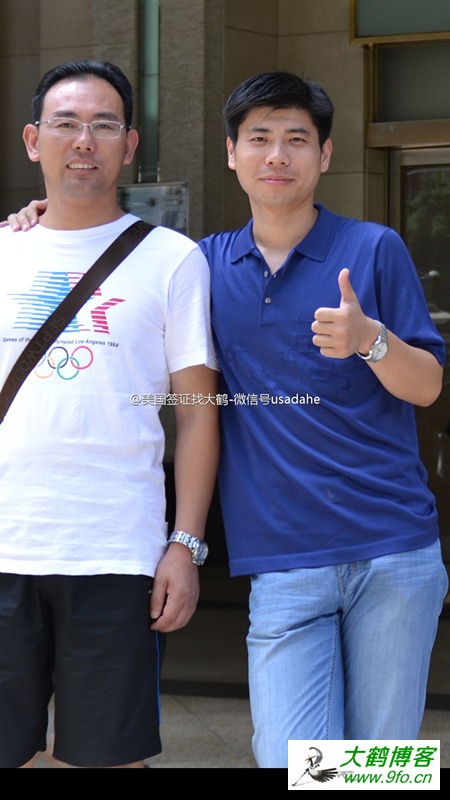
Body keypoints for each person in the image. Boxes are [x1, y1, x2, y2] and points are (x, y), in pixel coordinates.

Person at [5, 71, 449, 769]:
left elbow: (428, 387)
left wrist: (371, 340)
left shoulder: (374, 248)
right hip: (282, 557)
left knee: (380, 760)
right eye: (259, 138)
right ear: (231, 153)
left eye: (296, 139)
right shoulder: (204, 262)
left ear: (325, 154)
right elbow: (98, 251)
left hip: (393, 548)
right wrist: (38, 214)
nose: (277, 155)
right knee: (291, 759)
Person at [0, 60, 219, 769]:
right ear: (33, 139)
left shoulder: (174, 260)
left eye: (103, 125)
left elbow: (198, 412)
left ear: (130, 145)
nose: (83, 140)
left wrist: (186, 545)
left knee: (109, 758)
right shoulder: (3, 250)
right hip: (4, 545)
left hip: (118, 552)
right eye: (65, 123)